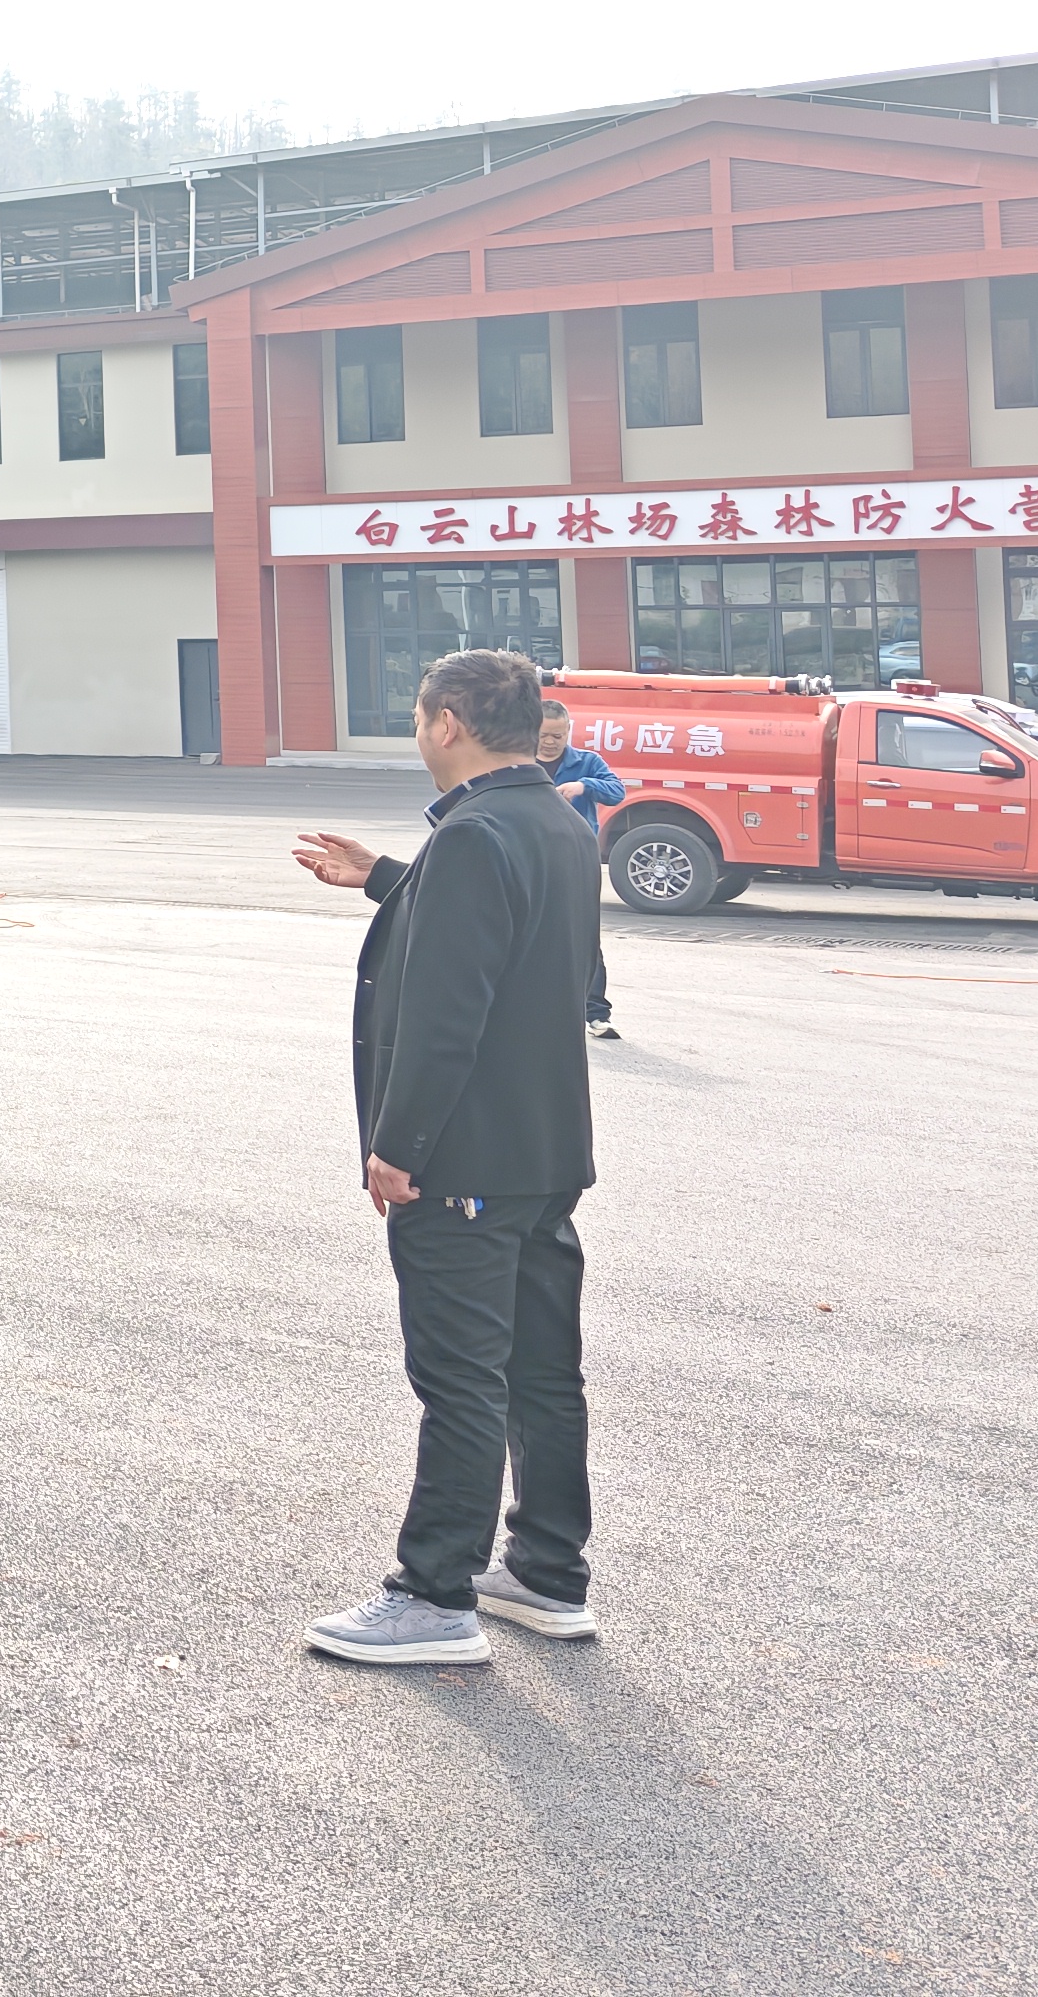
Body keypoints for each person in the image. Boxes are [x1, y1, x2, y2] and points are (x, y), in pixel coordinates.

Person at [289, 646, 604, 1667]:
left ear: (447, 723)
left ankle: (434, 1595)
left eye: (421, 717)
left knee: (461, 1379)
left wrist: (398, 1145)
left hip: (462, 1159)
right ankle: (547, 1572)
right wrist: (384, 877)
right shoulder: (554, 820)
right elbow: (505, 938)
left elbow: (446, 1011)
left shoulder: (473, 835)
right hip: (542, 1152)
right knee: (540, 1372)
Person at [538, 699, 628, 1039]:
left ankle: (596, 1013)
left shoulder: (587, 762)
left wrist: (584, 786)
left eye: (558, 735)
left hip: (576, 861)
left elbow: (617, 792)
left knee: (584, 935)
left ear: (568, 731)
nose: (550, 742)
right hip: (530, 859)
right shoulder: (518, 761)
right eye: (544, 735)